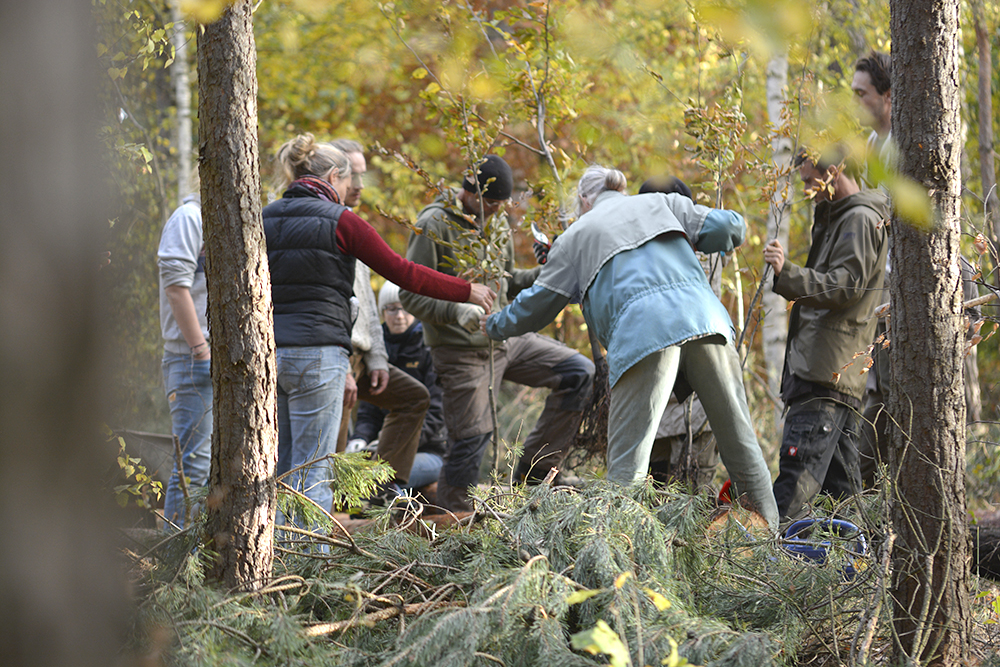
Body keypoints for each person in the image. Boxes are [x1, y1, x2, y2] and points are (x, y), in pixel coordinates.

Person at [483, 165, 779, 529]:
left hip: (644, 334)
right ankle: (769, 543)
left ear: (584, 200)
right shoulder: (663, 203)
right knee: (741, 445)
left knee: (628, 470)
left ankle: (621, 554)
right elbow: (731, 228)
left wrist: (493, 325)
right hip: (706, 321)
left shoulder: (575, 237)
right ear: (620, 189)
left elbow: (534, 307)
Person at [263, 134, 495, 516]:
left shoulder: (264, 217)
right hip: (320, 357)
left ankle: (277, 547)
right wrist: (466, 290)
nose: (351, 188)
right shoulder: (341, 221)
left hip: (271, 356)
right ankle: (309, 552)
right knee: (314, 471)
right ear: (334, 177)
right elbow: (404, 272)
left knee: (285, 467)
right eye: (348, 179)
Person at [400, 154, 595, 513]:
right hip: (460, 349)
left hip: (506, 336)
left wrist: (547, 272)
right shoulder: (434, 224)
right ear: (470, 193)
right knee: (472, 436)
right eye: (491, 203)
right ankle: (455, 519)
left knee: (579, 372)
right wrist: (457, 310)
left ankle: (536, 475)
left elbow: (507, 282)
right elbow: (410, 294)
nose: (498, 210)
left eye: (502, 204)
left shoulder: (498, 222)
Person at [764, 146, 888, 521]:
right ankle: (853, 556)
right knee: (842, 497)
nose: (806, 191)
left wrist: (787, 273)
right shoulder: (843, 217)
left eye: (809, 181)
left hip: (825, 374)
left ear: (832, 172)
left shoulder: (859, 219)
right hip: (831, 373)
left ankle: (770, 554)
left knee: (794, 484)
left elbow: (845, 286)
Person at [327, 138, 434, 503]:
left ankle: (380, 492)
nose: (360, 184)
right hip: (334, 357)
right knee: (331, 454)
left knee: (412, 398)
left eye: (363, 174)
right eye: (352, 175)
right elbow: (330, 306)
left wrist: (376, 358)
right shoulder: (328, 224)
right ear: (333, 175)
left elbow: (367, 304)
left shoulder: (354, 223)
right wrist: (342, 364)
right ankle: (321, 526)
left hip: (360, 357)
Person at [637, 176, 721, 490]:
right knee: (653, 490)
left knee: (690, 494)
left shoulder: (700, 251)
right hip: (657, 393)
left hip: (691, 393)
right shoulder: (642, 253)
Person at [348, 282, 448, 496]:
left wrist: (388, 442)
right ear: (382, 312)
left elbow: (436, 414)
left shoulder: (429, 348)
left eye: (406, 308)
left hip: (430, 451)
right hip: (380, 449)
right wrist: (360, 439)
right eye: (392, 309)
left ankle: (397, 513)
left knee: (381, 478)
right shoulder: (374, 350)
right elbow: (368, 411)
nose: (400, 316)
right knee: (351, 473)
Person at [158, 185, 211, 528]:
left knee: (208, 468)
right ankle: (177, 554)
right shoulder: (189, 218)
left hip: (213, 360)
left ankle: (198, 552)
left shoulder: (220, 222)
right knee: (192, 467)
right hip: (192, 360)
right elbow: (176, 288)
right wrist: (201, 350)